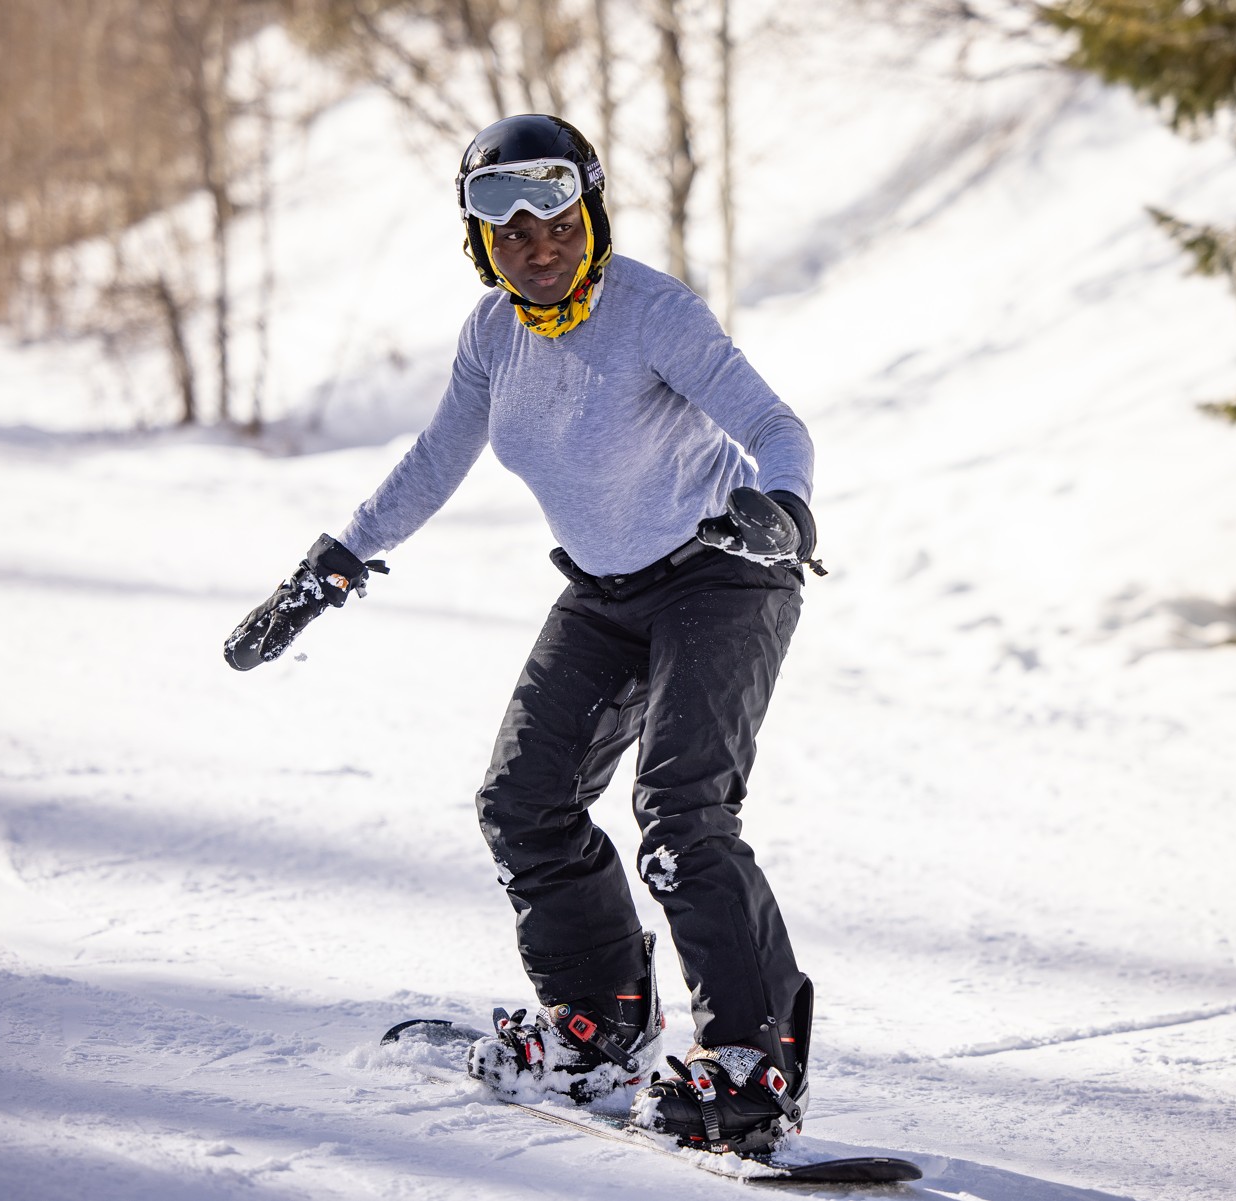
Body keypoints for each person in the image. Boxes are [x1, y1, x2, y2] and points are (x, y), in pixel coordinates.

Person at [224, 114, 821, 1155]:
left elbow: (777, 428)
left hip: (725, 572)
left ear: (592, 216)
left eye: (558, 222)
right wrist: (332, 563)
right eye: (510, 232)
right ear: (480, 242)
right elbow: (433, 460)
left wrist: (786, 510)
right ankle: (597, 1028)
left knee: (681, 814)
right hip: (606, 590)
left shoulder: (651, 312)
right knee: (524, 802)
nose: (538, 247)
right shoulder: (491, 338)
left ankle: (750, 1064)